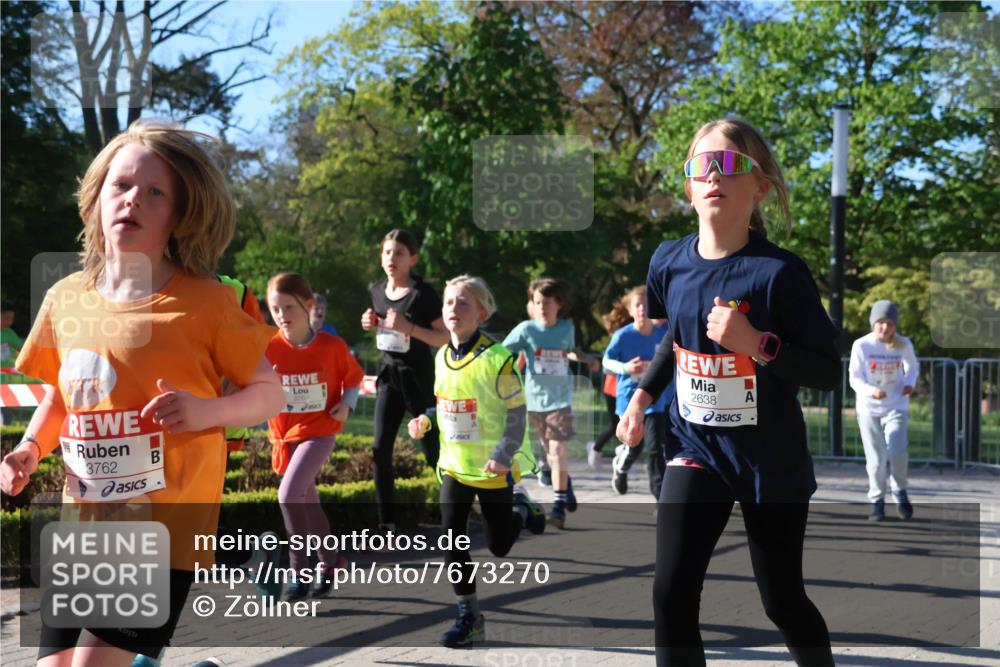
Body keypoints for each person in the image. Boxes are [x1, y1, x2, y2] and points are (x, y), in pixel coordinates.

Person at [0, 121, 284, 667]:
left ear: (180, 216)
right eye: (121, 185)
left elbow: (270, 393)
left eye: (156, 193)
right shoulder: (66, 298)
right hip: (83, 524)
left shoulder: (206, 304)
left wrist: (208, 410)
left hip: (162, 531)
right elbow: (63, 396)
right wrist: (30, 450)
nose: (133, 200)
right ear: (97, 197)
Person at [618, 118, 838, 667]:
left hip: (770, 461)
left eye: (731, 164)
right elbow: (677, 335)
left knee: (782, 601)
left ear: (759, 187)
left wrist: (756, 344)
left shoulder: (779, 274)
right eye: (701, 166)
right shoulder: (668, 261)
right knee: (670, 594)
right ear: (690, 187)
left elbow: (828, 372)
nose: (714, 175)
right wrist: (644, 396)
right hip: (696, 449)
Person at [407, 275, 543, 648]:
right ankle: (469, 616)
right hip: (455, 465)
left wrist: (502, 454)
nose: (453, 309)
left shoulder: (497, 359)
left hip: (493, 468)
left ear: (481, 312)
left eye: (462, 303)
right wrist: (426, 419)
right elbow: (445, 402)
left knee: (499, 546)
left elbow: (517, 413)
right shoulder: (440, 356)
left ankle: (519, 508)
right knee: (452, 540)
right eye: (449, 302)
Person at [266, 272, 364, 599]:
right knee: (309, 503)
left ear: (308, 306)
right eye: (276, 308)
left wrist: (347, 405)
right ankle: (330, 561)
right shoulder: (268, 348)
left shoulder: (331, 346)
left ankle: (299, 572)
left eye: (289, 307)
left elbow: (353, 380)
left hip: (320, 431)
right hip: (285, 436)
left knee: (288, 494)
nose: (282, 316)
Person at [361, 229, 449, 534]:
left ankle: (454, 516)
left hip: (419, 381)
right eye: (387, 252)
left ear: (413, 258)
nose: (391, 259)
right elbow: (384, 331)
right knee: (379, 450)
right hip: (389, 379)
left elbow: (443, 337)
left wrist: (410, 327)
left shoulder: (423, 295)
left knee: (433, 454)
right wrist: (370, 323)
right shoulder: (376, 291)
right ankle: (387, 525)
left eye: (398, 253)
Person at [502, 278, 597, 529]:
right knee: (549, 456)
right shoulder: (526, 330)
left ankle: (557, 508)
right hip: (533, 401)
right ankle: (566, 487)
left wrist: (585, 358)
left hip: (560, 400)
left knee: (556, 451)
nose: (542, 308)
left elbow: (570, 351)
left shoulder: (566, 328)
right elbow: (501, 352)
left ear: (559, 305)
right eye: (537, 303)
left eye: (547, 303)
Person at [602, 286, 676, 498]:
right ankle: (621, 466)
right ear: (630, 310)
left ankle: (660, 498)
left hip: (656, 400)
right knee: (635, 445)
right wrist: (626, 368)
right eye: (638, 305)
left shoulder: (663, 334)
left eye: (647, 304)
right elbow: (607, 361)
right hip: (628, 399)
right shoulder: (622, 336)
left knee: (655, 448)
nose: (643, 309)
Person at [849, 300, 918, 521]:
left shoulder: (903, 344)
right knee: (876, 458)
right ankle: (877, 501)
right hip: (869, 407)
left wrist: (909, 383)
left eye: (889, 323)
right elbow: (855, 377)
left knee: (897, 450)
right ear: (873, 323)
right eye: (880, 323)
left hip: (896, 404)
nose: (885, 328)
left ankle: (900, 491)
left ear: (895, 325)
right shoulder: (862, 345)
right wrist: (871, 391)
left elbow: (912, 367)